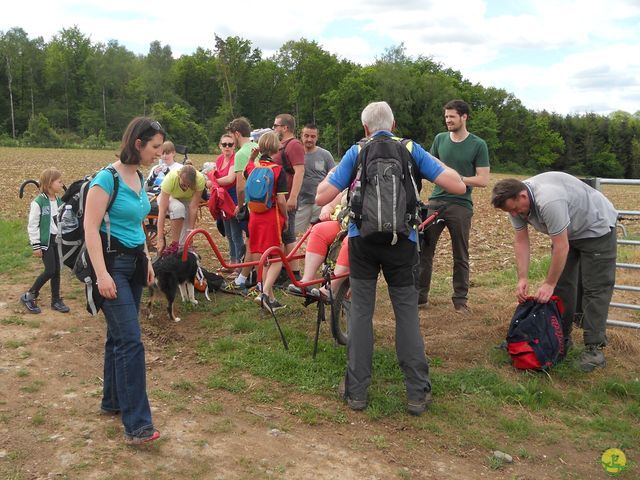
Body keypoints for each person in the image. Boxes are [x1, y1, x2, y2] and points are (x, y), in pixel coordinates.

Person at [316, 101, 465, 415]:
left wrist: (334, 174)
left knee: (360, 314)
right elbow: (457, 184)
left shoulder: (357, 150)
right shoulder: (411, 149)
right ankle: (417, 394)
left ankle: (356, 393)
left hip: (362, 242)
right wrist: (430, 164)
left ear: (366, 127)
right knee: (407, 316)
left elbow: (321, 197)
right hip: (403, 243)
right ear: (394, 125)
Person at [84, 117, 163, 444]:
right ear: (138, 144)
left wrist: (147, 259)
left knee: (118, 338)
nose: (159, 153)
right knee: (131, 341)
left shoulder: (139, 176)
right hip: (112, 265)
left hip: (134, 264)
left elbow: (138, 223)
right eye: (155, 147)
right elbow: (91, 229)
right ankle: (137, 426)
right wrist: (101, 274)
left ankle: (112, 402)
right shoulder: (106, 179)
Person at [491, 173, 618, 372]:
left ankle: (594, 349)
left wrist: (548, 283)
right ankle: (562, 339)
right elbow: (521, 241)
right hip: (569, 231)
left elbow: (561, 246)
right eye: (510, 211)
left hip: (596, 227)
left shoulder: (549, 200)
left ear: (523, 196)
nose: (514, 214)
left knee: (595, 288)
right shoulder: (514, 205)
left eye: (515, 209)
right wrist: (522, 278)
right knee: (563, 287)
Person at [418, 100, 490, 313]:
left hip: (461, 205)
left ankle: (460, 300)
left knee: (461, 254)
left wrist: (455, 179)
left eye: (452, 117)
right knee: (424, 251)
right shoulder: (440, 139)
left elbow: (483, 180)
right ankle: (420, 298)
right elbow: (430, 166)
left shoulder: (478, 144)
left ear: (464, 117)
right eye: (446, 117)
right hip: (436, 202)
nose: (448, 120)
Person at [244, 131, 288, 313]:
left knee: (264, 256)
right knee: (278, 256)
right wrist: (285, 217)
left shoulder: (253, 168)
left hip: (254, 216)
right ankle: (262, 292)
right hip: (272, 218)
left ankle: (271, 298)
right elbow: (281, 200)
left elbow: (246, 170)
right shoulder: (278, 170)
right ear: (277, 147)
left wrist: (252, 157)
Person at [20, 167, 69, 314]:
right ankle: (29, 295)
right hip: (45, 242)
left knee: (57, 271)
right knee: (50, 270)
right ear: (49, 183)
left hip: (57, 241)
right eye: (59, 182)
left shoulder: (60, 201)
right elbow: (32, 225)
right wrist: (36, 245)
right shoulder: (39, 202)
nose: (62, 184)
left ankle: (55, 300)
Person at [224, 117, 259, 292]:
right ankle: (244, 277)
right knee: (254, 241)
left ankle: (248, 279)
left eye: (232, 137)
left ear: (237, 134)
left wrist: (240, 206)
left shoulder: (241, 154)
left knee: (252, 241)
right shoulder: (259, 147)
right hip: (266, 202)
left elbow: (240, 186)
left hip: (251, 203)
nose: (231, 141)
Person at [272, 113, 305, 281]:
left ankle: (295, 274)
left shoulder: (294, 145)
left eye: (276, 125)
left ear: (285, 128)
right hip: (280, 198)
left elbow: (299, 171)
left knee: (289, 235)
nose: (274, 128)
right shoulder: (281, 145)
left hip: (287, 198)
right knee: (283, 235)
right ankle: (286, 270)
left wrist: (293, 197)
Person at [210, 133, 245, 269]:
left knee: (236, 234)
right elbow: (218, 175)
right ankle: (232, 261)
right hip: (223, 200)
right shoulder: (219, 159)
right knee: (228, 233)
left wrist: (212, 181)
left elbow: (230, 179)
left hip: (234, 199)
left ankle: (240, 265)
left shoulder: (235, 159)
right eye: (224, 144)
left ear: (234, 146)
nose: (227, 147)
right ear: (220, 146)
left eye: (230, 144)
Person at [295, 123, 335, 235]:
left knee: (319, 234)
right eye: (306, 135)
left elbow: (334, 177)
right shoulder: (296, 154)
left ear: (317, 137)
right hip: (301, 202)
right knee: (296, 235)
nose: (309, 139)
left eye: (313, 136)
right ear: (301, 136)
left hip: (321, 203)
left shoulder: (325, 155)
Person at [156, 164, 206, 253]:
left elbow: (193, 207)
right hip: (170, 197)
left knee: (185, 240)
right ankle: (174, 244)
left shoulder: (200, 179)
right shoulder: (171, 178)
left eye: (189, 185)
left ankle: (183, 251)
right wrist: (160, 238)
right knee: (178, 209)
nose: (186, 187)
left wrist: (190, 233)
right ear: (179, 176)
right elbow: (162, 209)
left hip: (186, 200)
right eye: (183, 184)